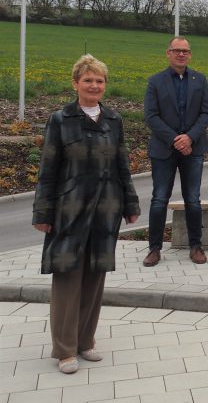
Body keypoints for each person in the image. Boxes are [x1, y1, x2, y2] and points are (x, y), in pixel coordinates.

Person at [32, 55, 141, 374]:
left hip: (106, 208)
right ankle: (64, 349)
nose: (94, 85)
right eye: (88, 80)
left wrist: (131, 205)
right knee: (67, 277)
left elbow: (123, 164)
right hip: (69, 209)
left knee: (95, 275)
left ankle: (85, 342)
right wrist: (43, 210)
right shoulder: (60, 119)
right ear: (76, 83)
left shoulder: (114, 120)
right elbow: (48, 169)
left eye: (100, 81)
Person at [142, 36, 208, 266]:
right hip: (164, 149)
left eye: (185, 51)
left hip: (193, 148)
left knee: (193, 199)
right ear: (168, 53)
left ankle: (196, 246)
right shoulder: (155, 82)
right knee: (159, 199)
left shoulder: (200, 80)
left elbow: (205, 114)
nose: (181, 54)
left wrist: (190, 137)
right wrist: (175, 139)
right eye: (176, 50)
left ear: (190, 54)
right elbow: (151, 116)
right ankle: (154, 249)